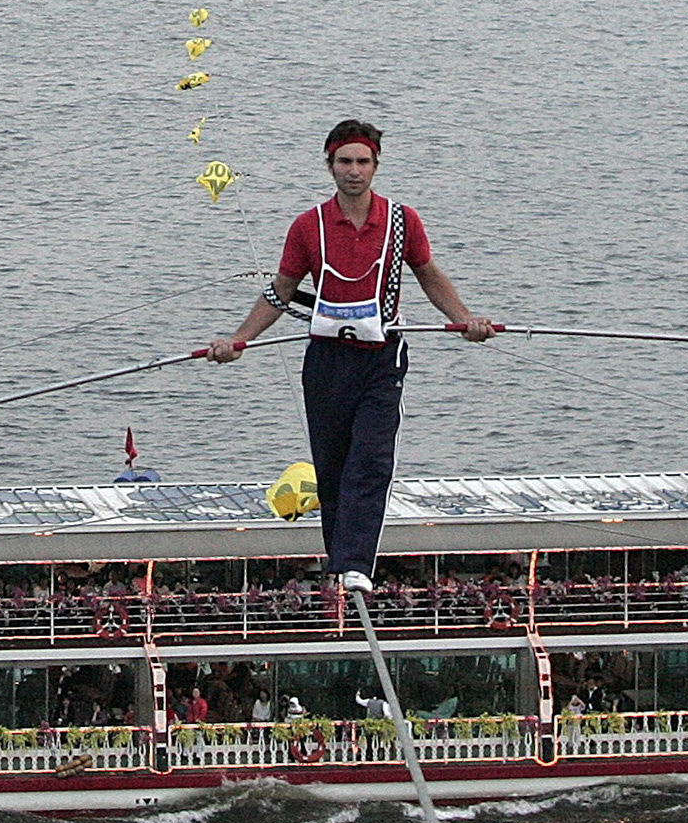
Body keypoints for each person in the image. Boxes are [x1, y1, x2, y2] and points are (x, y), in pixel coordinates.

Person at [208, 119, 494, 594]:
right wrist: (238, 341)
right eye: (345, 162)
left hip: (381, 358)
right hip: (326, 360)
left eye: (363, 162)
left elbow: (428, 275)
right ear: (330, 165)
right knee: (333, 467)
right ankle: (339, 560)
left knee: (372, 458)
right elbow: (280, 292)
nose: (354, 172)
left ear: (376, 166)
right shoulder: (308, 226)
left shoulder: (402, 222)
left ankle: (358, 561)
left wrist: (465, 319)